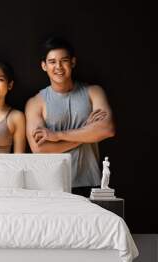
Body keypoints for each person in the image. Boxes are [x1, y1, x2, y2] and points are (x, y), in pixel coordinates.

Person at [25, 36, 115, 196]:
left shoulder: (94, 92)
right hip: (52, 185)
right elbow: (39, 149)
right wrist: (88, 133)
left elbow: (107, 129)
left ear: (72, 62)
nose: (58, 66)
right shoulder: (35, 103)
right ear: (44, 66)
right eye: (52, 62)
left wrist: (56, 135)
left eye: (64, 61)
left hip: (91, 182)